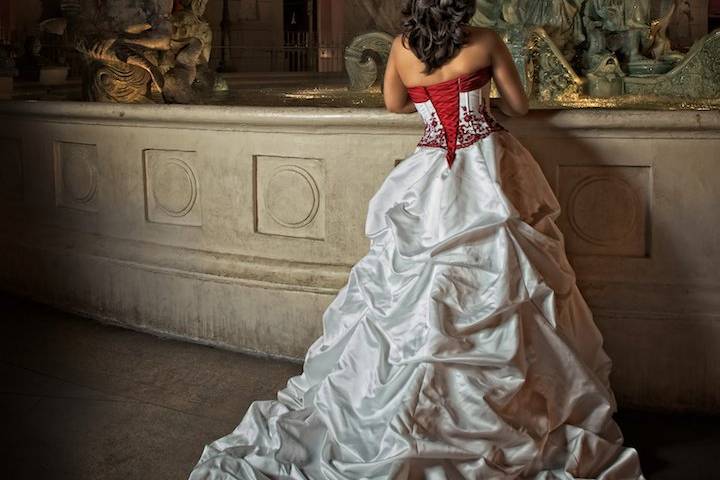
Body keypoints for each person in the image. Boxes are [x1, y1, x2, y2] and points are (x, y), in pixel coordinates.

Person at [188, 1, 646, 478]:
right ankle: (507, 406)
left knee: (418, 289)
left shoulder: (402, 49)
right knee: (499, 286)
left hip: (429, 172)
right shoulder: (485, 42)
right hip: (484, 168)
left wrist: (428, 96)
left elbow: (394, 103)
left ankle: (413, 411)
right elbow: (520, 106)